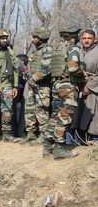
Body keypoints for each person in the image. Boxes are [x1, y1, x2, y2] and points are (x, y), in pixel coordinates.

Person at [43, 22, 84, 158]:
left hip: (56, 85)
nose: (79, 36)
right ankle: (60, 148)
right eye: (77, 34)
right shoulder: (74, 49)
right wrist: (82, 73)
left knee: (54, 116)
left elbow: (47, 68)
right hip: (68, 86)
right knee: (64, 116)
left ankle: (47, 148)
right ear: (72, 36)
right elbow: (73, 68)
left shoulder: (56, 49)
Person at [24, 26, 52, 146]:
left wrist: (34, 79)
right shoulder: (37, 51)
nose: (33, 39)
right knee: (30, 110)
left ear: (41, 38)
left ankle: (44, 137)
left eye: (35, 37)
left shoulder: (48, 50)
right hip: (33, 85)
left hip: (43, 86)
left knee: (42, 111)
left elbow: (46, 69)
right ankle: (30, 134)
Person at [77, 29, 97, 141]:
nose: (87, 40)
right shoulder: (77, 51)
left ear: (94, 39)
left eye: (89, 38)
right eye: (84, 38)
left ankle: (94, 140)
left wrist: (89, 87)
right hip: (78, 87)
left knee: (93, 116)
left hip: (93, 89)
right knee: (78, 116)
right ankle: (78, 140)